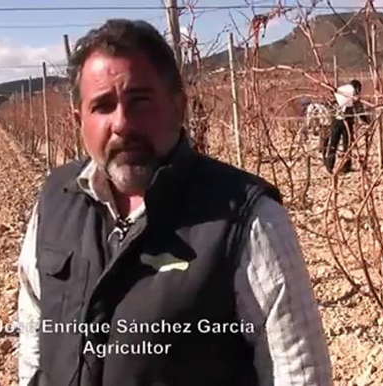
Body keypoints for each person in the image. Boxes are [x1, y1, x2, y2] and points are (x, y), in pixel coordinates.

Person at [17, 19, 332, 386]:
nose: (122, 123)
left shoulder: (247, 219)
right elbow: (33, 335)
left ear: (178, 106)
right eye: (102, 106)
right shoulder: (56, 201)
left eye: (140, 101)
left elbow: (299, 374)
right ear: (79, 121)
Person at [322, 79, 370, 174]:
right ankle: (346, 166)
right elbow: (359, 109)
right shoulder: (352, 92)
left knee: (333, 143)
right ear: (357, 88)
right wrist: (367, 121)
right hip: (347, 121)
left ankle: (329, 166)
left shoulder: (340, 90)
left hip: (336, 120)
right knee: (347, 145)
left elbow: (332, 102)